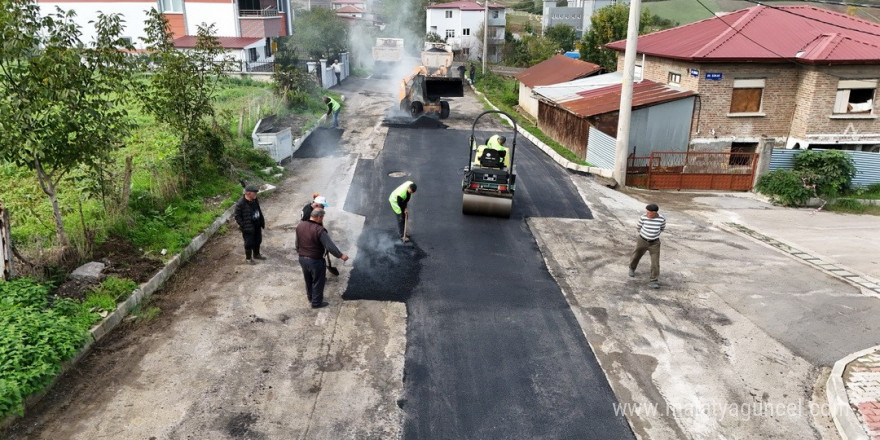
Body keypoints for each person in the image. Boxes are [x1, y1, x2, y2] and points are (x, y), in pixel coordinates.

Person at [296, 208, 349, 309]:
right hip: (315, 261)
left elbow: (297, 243)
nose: (322, 220)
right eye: (322, 217)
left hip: (302, 259)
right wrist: (341, 255)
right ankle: (316, 303)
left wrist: (300, 253)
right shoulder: (319, 230)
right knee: (318, 281)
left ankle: (311, 297)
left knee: (308, 280)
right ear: (319, 217)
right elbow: (330, 246)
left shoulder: (300, 225)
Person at [629, 204, 666, 289]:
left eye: (648, 212)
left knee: (655, 262)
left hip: (654, 243)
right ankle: (632, 268)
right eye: (646, 212)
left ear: (654, 213)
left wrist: (653, 235)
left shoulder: (661, 219)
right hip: (642, 240)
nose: (646, 214)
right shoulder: (643, 217)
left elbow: (662, 228)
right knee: (636, 256)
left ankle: (654, 280)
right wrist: (644, 235)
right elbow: (638, 227)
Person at [234, 185, 266, 264]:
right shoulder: (240, 203)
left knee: (258, 240)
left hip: (257, 224)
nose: (256, 194)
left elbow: (258, 209)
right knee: (249, 243)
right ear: (248, 193)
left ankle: (256, 254)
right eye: (254, 193)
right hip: (248, 227)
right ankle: (248, 259)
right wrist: (243, 226)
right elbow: (237, 216)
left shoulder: (254, 200)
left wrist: (261, 220)